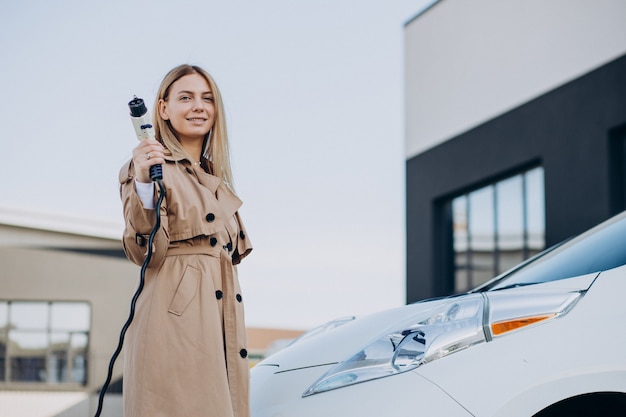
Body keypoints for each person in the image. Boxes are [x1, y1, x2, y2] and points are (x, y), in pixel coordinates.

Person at [118, 64, 253, 417]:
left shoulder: (214, 178)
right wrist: (146, 183)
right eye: (186, 97)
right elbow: (141, 247)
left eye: (207, 99)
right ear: (162, 109)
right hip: (173, 328)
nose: (199, 106)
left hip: (220, 326)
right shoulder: (149, 166)